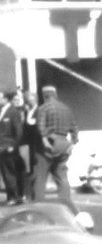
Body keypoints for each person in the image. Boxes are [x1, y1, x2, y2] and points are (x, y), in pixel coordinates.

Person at [31, 84, 78, 213]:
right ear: (55, 94)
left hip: (49, 144)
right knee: (61, 176)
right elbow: (74, 129)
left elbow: (40, 127)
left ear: (44, 95)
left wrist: (45, 141)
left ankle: (38, 207)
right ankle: (66, 205)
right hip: (64, 144)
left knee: (40, 176)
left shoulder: (43, 108)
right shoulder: (66, 109)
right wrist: (72, 144)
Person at [0, 90, 27, 203]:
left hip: (9, 147)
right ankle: (11, 196)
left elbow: (19, 131)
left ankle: (16, 196)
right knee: (6, 173)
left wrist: (14, 146)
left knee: (11, 172)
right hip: (2, 147)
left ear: (6, 99)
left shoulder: (13, 112)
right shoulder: (2, 111)